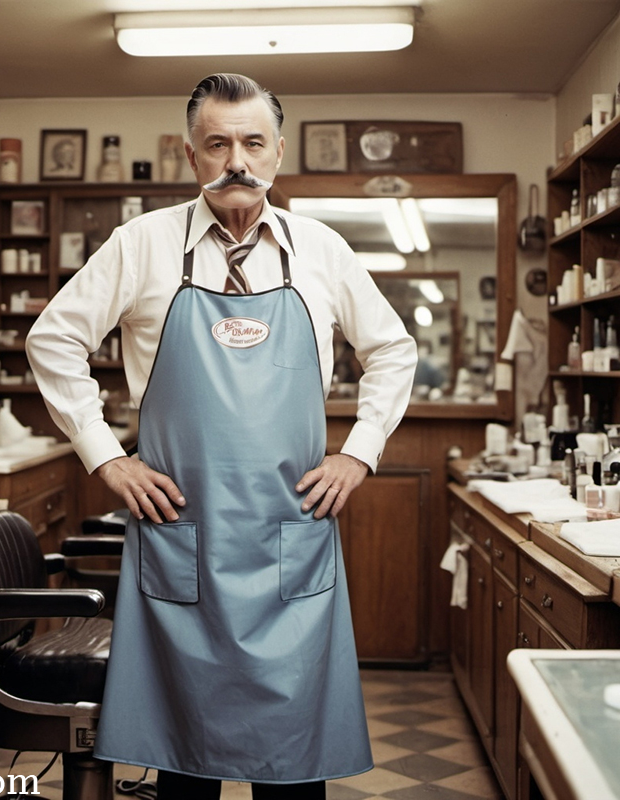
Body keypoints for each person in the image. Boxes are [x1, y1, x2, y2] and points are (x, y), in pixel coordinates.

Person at [26, 73, 417, 800]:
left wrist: (359, 453)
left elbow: (393, 350)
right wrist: (108, 460)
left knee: (294, 771)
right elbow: (53, 341)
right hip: (181, 534)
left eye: (252, 142)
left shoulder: (322, 250)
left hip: (289, 536)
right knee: (183, 768)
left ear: (277, 151)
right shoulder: (141, 245)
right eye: (218, 143)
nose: (236, 159)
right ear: (191, 153)